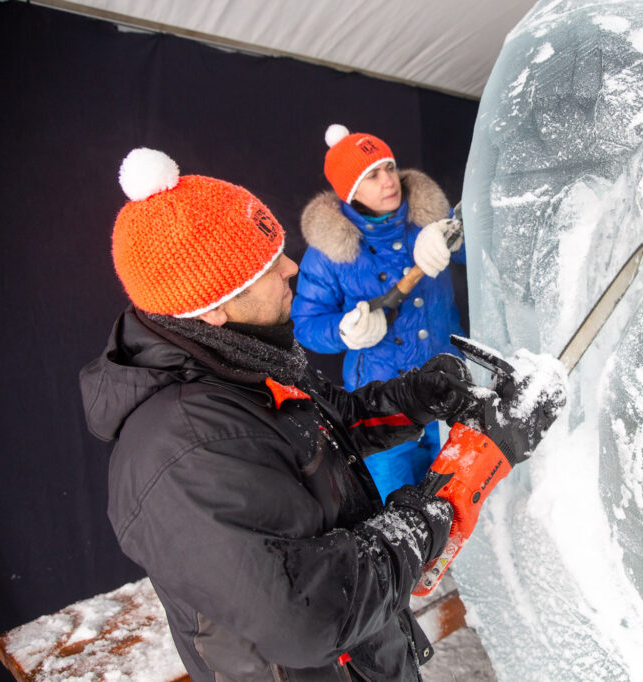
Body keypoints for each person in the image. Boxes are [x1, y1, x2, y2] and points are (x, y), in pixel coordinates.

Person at [79, 148, 478, 681]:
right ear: (212, 307)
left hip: (370, 660)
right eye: (269, 267)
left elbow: (334, 427)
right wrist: (427, 517)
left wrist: (424, 395)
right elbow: (314, 613)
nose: (292, 267)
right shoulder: (185, 451)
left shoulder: (247, 360)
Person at [291, 125, 465, 500]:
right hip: (382, 409)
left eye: (389, 167)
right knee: (396, 505)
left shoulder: (431, 221)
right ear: (351, 191)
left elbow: (486, 246)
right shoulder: (326, 254)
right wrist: (343, 329)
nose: (388, 180)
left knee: (461, 500)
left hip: (451, 389)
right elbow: (305, 325)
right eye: (372, 175)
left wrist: (453, 232)